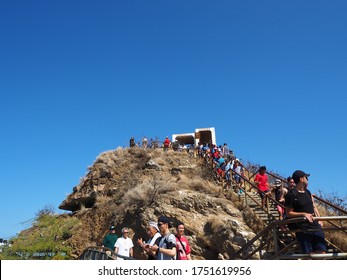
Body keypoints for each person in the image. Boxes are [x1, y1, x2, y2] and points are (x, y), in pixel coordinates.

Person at [285, 170, 326, 255]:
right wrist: (303, 214)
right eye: (305, 177)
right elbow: (288, 213)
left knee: (321, 252)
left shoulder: (308, 192)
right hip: (303, 228)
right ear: (301, 179)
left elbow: (313, 207)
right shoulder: (291, 194)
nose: (307, 179)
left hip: (315, 226)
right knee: (309, 255)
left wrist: (319, 219)